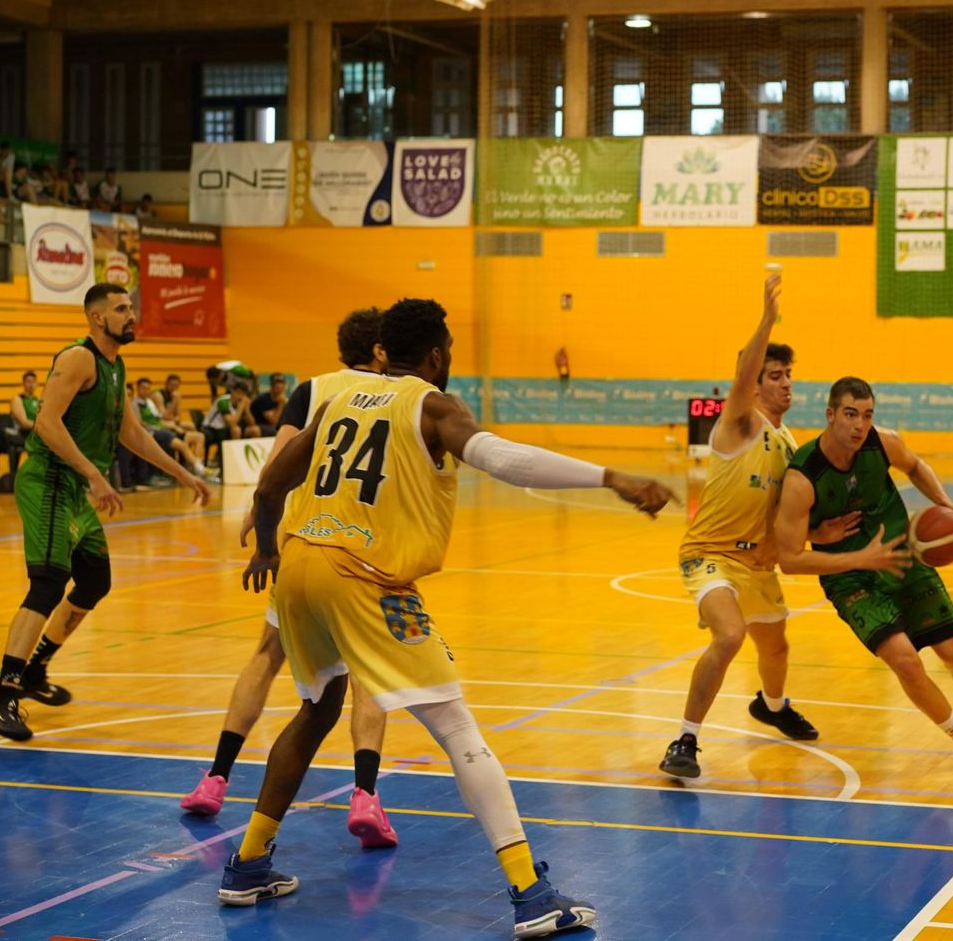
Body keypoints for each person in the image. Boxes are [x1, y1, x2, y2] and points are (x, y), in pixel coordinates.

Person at [221, 297, 675, 937]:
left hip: (299, 565)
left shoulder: (337, 402)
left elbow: (270, 485)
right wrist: (610, 477)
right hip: (363, 574)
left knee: (317, 707)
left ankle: (246, 864)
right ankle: (530, 891)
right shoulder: (432, 406)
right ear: (436, 354)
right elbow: (504, 461)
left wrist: (267, 546)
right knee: (456, 724)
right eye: (451, 348)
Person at [182, 309, 406, 852]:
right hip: (362, 554)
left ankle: (215, 779)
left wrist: (261, 525)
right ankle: (365, 795)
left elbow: (276, 468)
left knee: (265, 655)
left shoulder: (312, 390)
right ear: (380, 350)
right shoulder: (403, 395)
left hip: (300, 545)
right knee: (367, 672)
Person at [660, 274, 892, 779]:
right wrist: (767, 319)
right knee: (729, 636)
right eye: (775, 375)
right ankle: (685, 740)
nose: (786, 382)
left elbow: (784, 514)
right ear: (754, 381)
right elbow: (743, 374)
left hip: (760, 563)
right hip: (713, 553)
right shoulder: (739, 423)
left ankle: (772, 704)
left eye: (789, 375)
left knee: (777, 645)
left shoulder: (789, 443)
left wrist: (819, 537)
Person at [0, 284, 213, 741]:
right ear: (97, 318)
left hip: (74, 486)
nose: (131, 315)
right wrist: (95, 476)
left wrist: (186, 474)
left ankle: (36, 670)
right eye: (122, 309)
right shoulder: (77, 358)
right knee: (46, 584)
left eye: (131, 308)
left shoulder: (116, 367)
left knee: (95, 581)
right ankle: (1, 698)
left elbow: (134, 435)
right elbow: (46, 422)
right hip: (48, 480)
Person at [773, 377, 953, 775]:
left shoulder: (883, 442)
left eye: (867, 415)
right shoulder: (803, 477)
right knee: (905, 661)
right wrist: (856, 555)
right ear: (830, 415)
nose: (860, 425)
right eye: (850, 415)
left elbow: (916, 466)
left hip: (903, 558)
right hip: (850, 579)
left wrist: (948, 507)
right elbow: (788, 559)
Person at [251, 372, 289, 437]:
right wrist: (281, 404)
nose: (279, 387)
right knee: (279, 431)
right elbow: (273, 421)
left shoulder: (285, 400)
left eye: (281, 384)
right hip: (259, 425)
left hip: (270, 427)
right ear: (271, 386)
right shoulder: (264, 399)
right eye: (276, 385)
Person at [11, 370, 41, 436]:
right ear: (23, 383)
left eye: (33, 382)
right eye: (28, 382)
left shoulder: (38, 400)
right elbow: (24, 423)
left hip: (36, 433)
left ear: (36, 383)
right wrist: (42, 427)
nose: (31, 384)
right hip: (23, 435)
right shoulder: (18, 399)